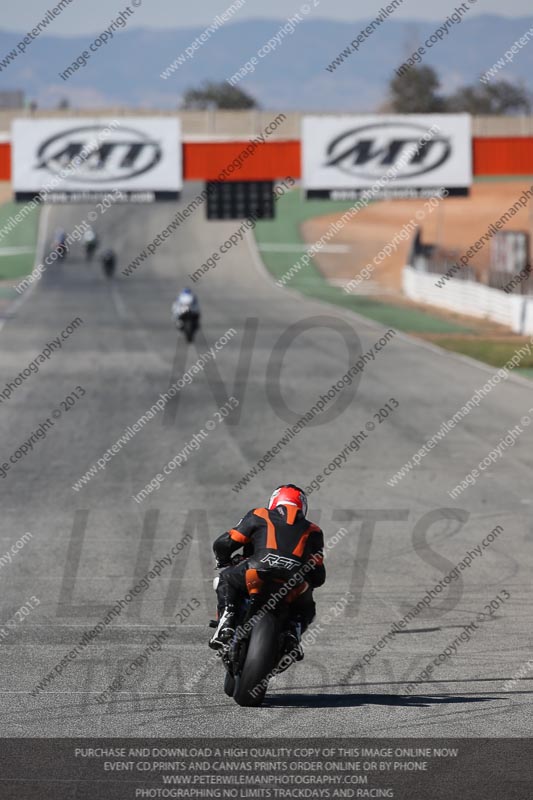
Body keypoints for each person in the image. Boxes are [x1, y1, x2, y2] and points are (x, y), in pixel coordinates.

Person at [209, 484, 326, 652]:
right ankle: (293, 634)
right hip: (294, 581)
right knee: (307, 607)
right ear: (303, 507)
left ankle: (227, 622)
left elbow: (225, 543)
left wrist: (223, 560)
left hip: (255, 571)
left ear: (274, 501)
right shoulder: (314, 531)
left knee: (226, 578)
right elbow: (319, 576)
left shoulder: (259, 514)